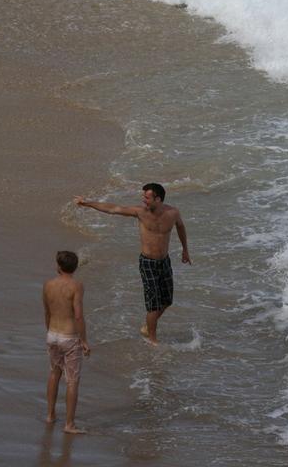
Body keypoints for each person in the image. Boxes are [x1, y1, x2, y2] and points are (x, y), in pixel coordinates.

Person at [74, 183, 190, 345]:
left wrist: (185, 250)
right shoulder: (140, 212)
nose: (143, 201)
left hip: (164, 261)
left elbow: (181, 227)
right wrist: (87, 203)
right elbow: (113, 209)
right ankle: (153, 340)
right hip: (147, 262)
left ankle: (147, 327)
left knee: (167, 300)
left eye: (147, 198)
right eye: (144, 197)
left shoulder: (173, 213)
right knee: (153, 305)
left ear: (158, 199)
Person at [43, 250, 91, 434]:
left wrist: (49, 331)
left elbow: (47, 312)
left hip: (52, 334)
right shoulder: (76, 286)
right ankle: (69, 424)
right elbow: (78, 316)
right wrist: (84, 340)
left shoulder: (48, 285)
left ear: (58, 266)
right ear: (75, 267)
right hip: (69, 337)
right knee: (72, 381)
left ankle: (50, 415)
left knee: (54, 373)